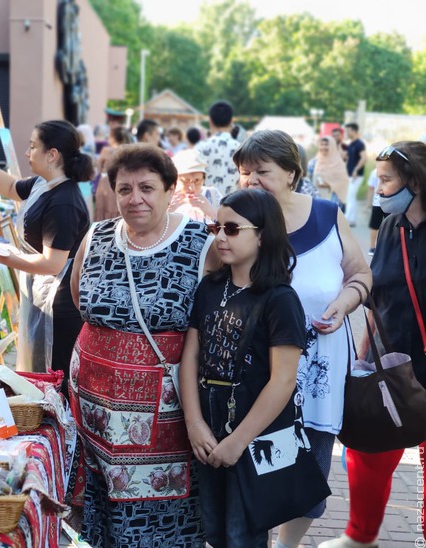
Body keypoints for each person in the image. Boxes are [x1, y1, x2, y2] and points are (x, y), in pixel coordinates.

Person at [68, 143, 218, 547]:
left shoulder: (200, 243)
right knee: (97, 505)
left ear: (171, 189)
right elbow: (79, 295)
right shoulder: (96, 236)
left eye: (147, 188)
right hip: (94, 409)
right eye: (125, 189)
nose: (135, 199)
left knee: (161, 511)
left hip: (166, 413)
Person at [232, 129, 371, 548]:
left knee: (308, 467)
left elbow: (360, 275)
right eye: (244, 173)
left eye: (262, 172)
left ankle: (286, 545)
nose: (251, 182)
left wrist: (344, 303)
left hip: (318, 374)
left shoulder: (328, 215)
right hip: (256, 371)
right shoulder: (236, 220)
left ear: (292, 173)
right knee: (253, 464)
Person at [180, 189, 306, 547]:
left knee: (244, 534)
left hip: (255, 435)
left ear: (263, 234)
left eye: (232, 229)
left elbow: (283, 381)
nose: (220, 236)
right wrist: (194, 423)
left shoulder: (279, 298)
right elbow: (190, 356)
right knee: (213, 531)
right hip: (207, 426)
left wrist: (238, 441)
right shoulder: (210, 286)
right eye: (215, 227)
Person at [321, 141, 426, 548]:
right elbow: (377, 297)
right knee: (369, 449)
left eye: (386, 180)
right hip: (395, 361)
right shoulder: (390, 228)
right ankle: (361, 537)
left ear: (415, 182)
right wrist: (364, 356)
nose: (377, 189)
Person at [0, 120, 92, 394]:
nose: (27, 153)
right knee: (37, 367)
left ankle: (60, 429)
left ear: (52, 155)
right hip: (42, 288)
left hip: (60, 300)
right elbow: (12, 188)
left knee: (54, 373)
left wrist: (2, 256)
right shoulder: (45, 183)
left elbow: (53, 264)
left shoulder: (64, 201)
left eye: (32, 147)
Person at [196, 101, 240, 197]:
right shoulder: (241, 148)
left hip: (204, 207)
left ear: (210, 121)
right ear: (231, 121)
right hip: (233, 207)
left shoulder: (200, 148)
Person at [170, 148, 221, 222]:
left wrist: (211, 213)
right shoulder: (166, 199)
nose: (192, 188)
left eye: (197, 181)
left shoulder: (213, 195)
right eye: (186, 181)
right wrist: (167, 213)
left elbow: (227, 228)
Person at [93, 126, 132, 221]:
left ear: (112, 138)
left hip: (106, 182)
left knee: (103, 210)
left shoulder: (106, 151)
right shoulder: (129, 151)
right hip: (123, 183)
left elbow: (98, 168)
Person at [308, 136, 349, 209]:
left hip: (332, 199)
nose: (323, 147)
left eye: (326, 144)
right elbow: (307, 178)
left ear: (332, 146)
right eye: (322, 144)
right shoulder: (314, 162)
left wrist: (329, 185)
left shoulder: (338, 163)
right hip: (315, 198)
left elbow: (344, 182)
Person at [344, 123, 366, 226]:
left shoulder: (359, 144)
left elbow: (364, 158)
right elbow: (347, 158)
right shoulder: (351, 144)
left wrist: (356, 169)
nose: (347, 133)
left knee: (350, 196)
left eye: (348, 131)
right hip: (349, 174)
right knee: (351, 197)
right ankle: (352, 220)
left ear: (354, 131)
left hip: (356, 175)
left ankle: (346, 219)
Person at [365, 168, 386, 256]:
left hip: (377, 202)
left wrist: (368, 204)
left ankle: (372, 248)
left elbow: (370, 188)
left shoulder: (374, 172)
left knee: (374, 226)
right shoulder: (391, 170)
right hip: (388, 201)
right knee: (391, 225)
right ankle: (386, 247)